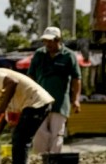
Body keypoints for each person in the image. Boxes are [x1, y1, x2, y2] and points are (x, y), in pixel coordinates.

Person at [27, 26, 82, 154]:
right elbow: (30, 76)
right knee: (39, 134)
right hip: (40, 102)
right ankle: (41, 163)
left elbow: (76, 78)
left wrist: (76, 99)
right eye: (45, 41)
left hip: (60, 103)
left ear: (58, 40)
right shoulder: (39, 54)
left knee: (56, 135)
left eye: (50, 41)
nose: (47, 44)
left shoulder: (69, 56)